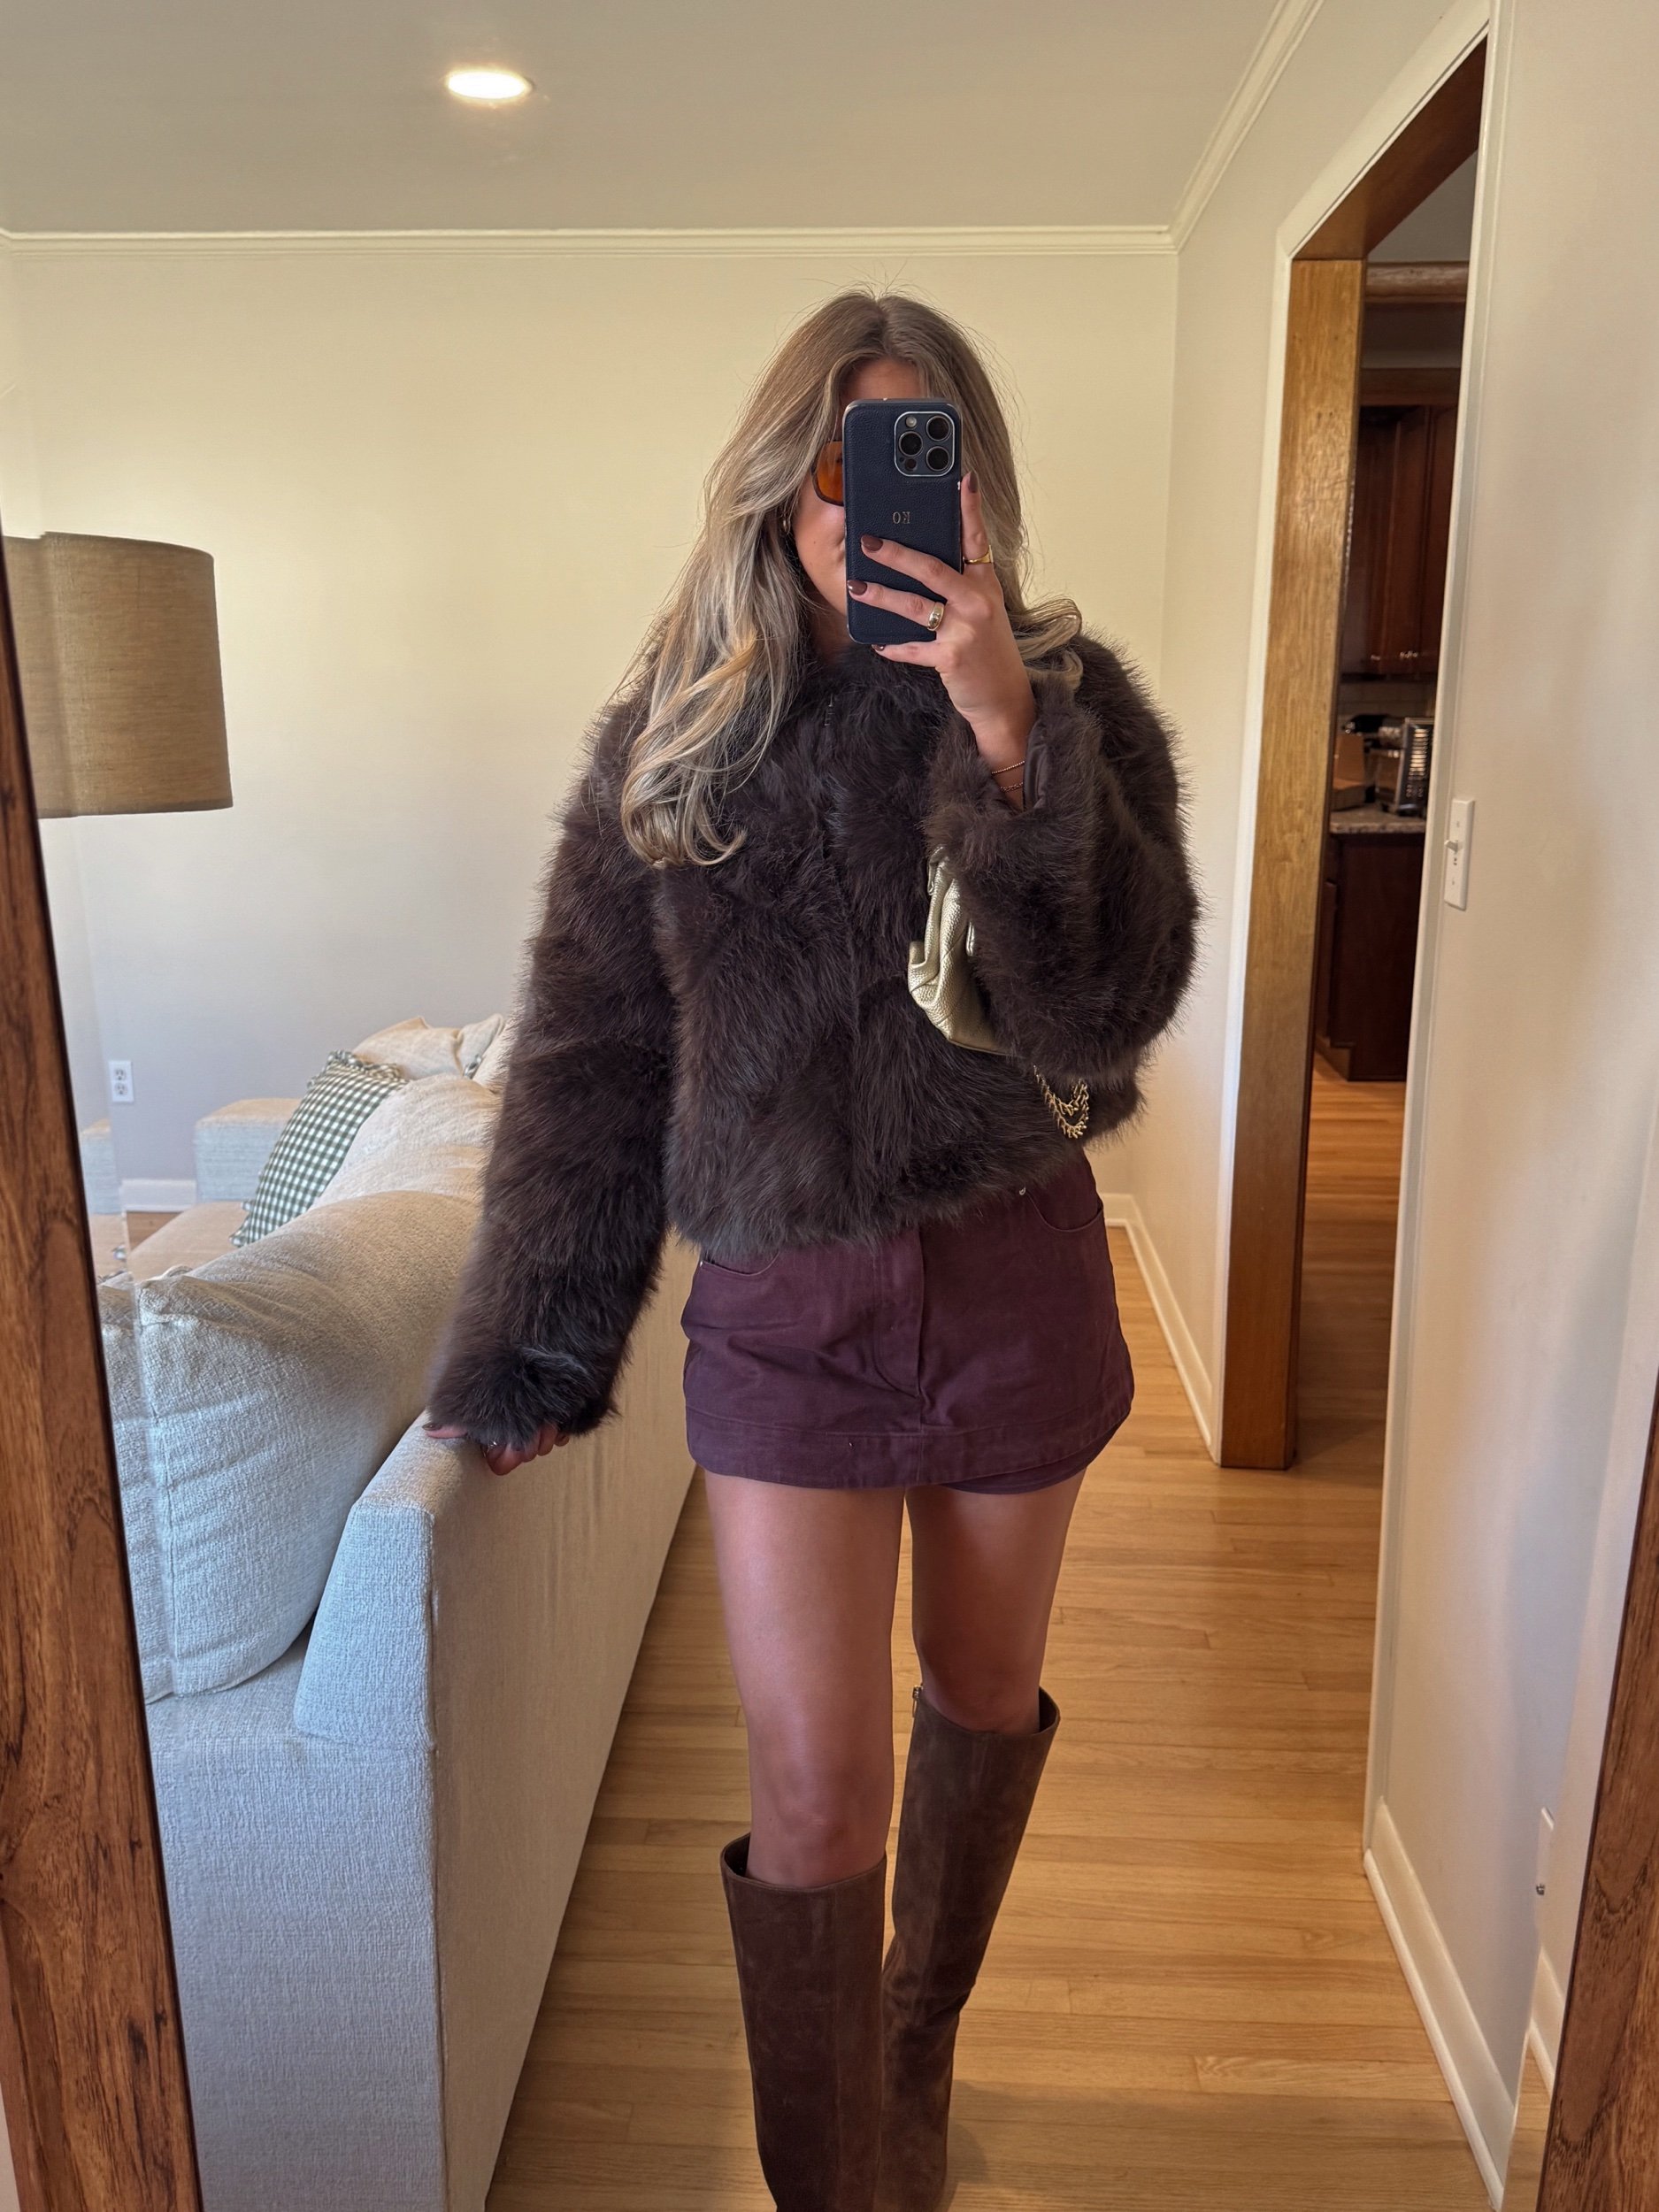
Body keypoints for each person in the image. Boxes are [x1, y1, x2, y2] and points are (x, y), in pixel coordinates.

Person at [425, 288, 1198, 2212]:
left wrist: (1011, 743)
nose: (877, 506)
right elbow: (593, 1053)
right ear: (786, 491)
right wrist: (534, 1342)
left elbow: (1108, 1013)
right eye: (848, 466)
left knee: (981, 1701)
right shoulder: (680, 743)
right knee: (813, 1793)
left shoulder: (1073, 704)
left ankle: (910, 2059)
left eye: (921, 456)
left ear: (975, 488)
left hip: (1013, 1284)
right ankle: (833, 2180)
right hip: (786, 1315)